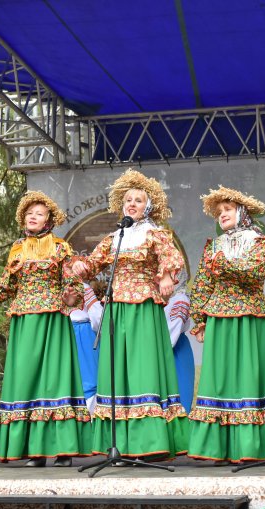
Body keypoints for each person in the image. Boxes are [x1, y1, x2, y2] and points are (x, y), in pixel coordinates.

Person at [0, 191, 92, 467]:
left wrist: (70, 295)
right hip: (23, 321)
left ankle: (63, 449)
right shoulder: (18, 250)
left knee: (54, 379)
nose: (33, 216)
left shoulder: (60, 247)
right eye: (29, 212)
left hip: (52, 320)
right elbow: (5, 289)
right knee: (26, 380)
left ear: (49, 220)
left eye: (39, 213)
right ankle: (34, 449)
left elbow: (73, 283)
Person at [71, 169, 189, 460]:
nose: (132, 204)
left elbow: (172, 259)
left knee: (142, 368)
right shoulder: (115, 237)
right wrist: (78, 267)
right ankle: (120, 442)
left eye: (138, 200)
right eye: (127, 200)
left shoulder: (155, 234)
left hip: (144, 310)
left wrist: (165, 277)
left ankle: (150, 443)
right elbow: (93, 264)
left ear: (148, 206)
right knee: (117, 371)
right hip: (117, 311)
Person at [187, 186, 265, 465]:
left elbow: (253, 273)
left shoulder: (260, 242)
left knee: (249, 376)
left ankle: (254, 445)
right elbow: (202, 283)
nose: (222, 215)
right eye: (219, 211)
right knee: (220, 379)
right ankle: (219, 448)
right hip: (219, 318)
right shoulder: (214, 246)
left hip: (250, 316)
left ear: (242, 212)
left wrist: (221, 264)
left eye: (228, 210)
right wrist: (198, 319)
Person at [69, 281, 103, 415]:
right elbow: (99, 319)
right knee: (89, 386)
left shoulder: (81, 287)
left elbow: (99, 320)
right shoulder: (81, 286)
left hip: (78, 335)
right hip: (82, 334)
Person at [164, 273, 195, 413]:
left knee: (180, 398)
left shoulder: (180, 299)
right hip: (161, 348)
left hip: (175, 350)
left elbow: (172, 333)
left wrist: (155, 348)